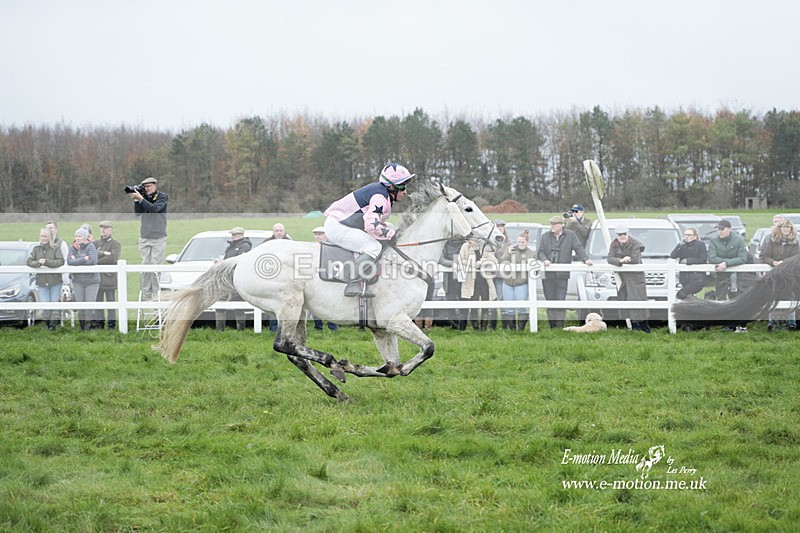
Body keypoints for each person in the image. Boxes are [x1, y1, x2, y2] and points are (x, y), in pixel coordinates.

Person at [323, 162, 414, 297]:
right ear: (391, 187)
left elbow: (374, 223)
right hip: (338, 226)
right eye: (402, 187)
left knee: (389, 228)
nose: (405, 192)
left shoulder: (382, 193)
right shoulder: (380, 197)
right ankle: (353, 281)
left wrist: (390, 231)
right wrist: (390, 234)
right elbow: (371, 225)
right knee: (373, 247)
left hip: (343, 223)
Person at [537, 215, 592, 329]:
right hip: (548, 275)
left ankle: (559, 326)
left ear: (562, 225)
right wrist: (545, 260)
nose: (551, 226)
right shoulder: (545, 236)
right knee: (550, 300)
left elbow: (578, 248)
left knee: (561, 300)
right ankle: (552, 326)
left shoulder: (570, 235)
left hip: (562, 275)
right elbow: (540, 252)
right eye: (551, 224)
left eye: (554, 224)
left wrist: (586, 259)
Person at [130, 176, 168, 301]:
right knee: (145, 267)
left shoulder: (162, 197)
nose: (147, 189)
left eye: (149, 186)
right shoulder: (143, 198)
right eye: (145, 187)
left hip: (158, 237)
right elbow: (137, 214)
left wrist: (140, 199)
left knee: (156, 267)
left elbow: (155, 209)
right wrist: (136, 200)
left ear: (155, 186)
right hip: (145, 237)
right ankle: (146, 295)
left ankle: (155, 295)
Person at [607, 225, 651, 333]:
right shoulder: (614, 244)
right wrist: (621, 260)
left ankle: (644, 325)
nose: (622, 236)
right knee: (625, 300)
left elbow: (635, 259)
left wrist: (627, 260)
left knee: (639, 301)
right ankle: (634, 324)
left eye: (624, 234)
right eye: (619, 234)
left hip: (636, 278)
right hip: (623, 279)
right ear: (616, 235)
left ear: (628, 234)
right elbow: (610, 258)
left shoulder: (635, 243)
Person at [762, 219, 799, 331]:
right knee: (773, 295)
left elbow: (797, 257)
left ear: (791, 229)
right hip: (775, 274)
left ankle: (791, 322)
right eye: (784, 227)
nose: (786, 229)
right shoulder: (773, 241)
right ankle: (772, 322)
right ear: (780, 229)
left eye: (788, 227)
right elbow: (766, 255)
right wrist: (773, 262)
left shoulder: (795, 242)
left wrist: (784, 262)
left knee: (790, 296)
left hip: (789, 275)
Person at [213, 227, 253, 331]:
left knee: (238, 306)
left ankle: (240, 329)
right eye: (233, 235)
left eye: (235, 235)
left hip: (236, 279)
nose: (233, 237)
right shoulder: (230, 247)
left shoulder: (245, 246)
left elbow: (239, 261)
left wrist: (223, 263)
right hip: (227, 279)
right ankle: (219, 329)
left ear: (241, 235)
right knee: (220, 303)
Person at [26, 227, 65, 330]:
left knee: (54, 304)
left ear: (50, 237)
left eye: (45, 236)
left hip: (55, 281)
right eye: (41, 236)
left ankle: (52, 326)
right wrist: (38, 263)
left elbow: (60, 261)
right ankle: (48, 324)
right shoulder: (36, 249)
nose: (43, 238)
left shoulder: (55, 248)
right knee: (45, 305)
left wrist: (46, 262)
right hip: (42, 282)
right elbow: (29, 261)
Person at [458, 237, 498, 331]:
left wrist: (482, 262)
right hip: (471, 280)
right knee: (473, 301)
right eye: (470, 240)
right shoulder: (465, 247)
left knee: (486, 300)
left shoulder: (485, 247)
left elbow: (494, 261)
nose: (472, 242)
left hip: (485, 279)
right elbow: (460, 260)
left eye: (474, 240)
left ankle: (484, 326)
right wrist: (472, 264)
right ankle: (475, 325)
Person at [500, 230, 537, 330]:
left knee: (522, 307)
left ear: (527, 242)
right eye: (519, 242)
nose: (520, 244)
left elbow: (534, 269)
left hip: (521, 283)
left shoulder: (531, 253)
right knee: (509, 308)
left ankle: (521, 330)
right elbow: (502, 262)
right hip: (507, 282)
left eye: (522, 242)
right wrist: (507, 253)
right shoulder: (510, 250)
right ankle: (512, 329)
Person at [67, 227, 100, 330]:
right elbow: (69, 262)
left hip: (91, 280)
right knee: (80, 305)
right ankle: (82, 327)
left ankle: (89, 326)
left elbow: (93, 261)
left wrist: (77, 260)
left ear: (85, 237)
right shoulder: (72, 248)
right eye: (76, 236)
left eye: (80, 236)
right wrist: (83, 259)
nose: (77, 238)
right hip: (77, 280)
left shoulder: (91, 246)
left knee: (90, 305)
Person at [93, 220, 122, 330]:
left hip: (109, 278)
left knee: (111, 303)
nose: (103, 230)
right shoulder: (95, 244)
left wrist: (98, 259)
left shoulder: (115, 244)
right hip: (96, 278)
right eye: (101, 228)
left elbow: (113, 257)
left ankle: (111, 325)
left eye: (106, 228)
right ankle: (99, 325)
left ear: (110, 229)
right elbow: (92, 256)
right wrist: (104, 253)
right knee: (98, 302)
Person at [310, 227, 338, 331]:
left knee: (330, 302)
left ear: (325, 235)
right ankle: (318, 326)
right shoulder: (312, 246)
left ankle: (333, 326)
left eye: (320, 234)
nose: (318, 236)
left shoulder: (332, 246)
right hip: (316, 278)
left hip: (329, 278)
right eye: (316, 234)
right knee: (314, 302)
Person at [669, 227, 708, 300]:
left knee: (681, 294)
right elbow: (673, 256)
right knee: (687, 297)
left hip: (697, 278)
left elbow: (703, 259)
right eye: (686, 235)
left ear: (695, 236)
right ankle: (695, 307)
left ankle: (698, 303)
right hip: (684, 278)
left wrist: (688, 261)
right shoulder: (682, 245)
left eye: (689, 235)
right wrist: (680, 245)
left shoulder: (700, 245)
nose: (687, 237)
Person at [439, 236, 467, 330]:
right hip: (449, 279)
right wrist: (453, 264)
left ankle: (463, 325)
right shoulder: (444, 245)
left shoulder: (465, 244)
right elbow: (441, 259)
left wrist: (460, 263)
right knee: (450, 301)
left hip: (463, 278)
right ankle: (454, 325)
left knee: (464, 301)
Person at [488, 219, 511, 330]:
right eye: (498, 226)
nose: (500, 228)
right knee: (493, 299)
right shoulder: (490, 242)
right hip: (491, 275)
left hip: (503, 276)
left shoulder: (508, 243)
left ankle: (505, 326)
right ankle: (493, 326)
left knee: (502, 299)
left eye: (502, 226)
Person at [46, 220, 70, 285]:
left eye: (51, 228)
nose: (49, 230)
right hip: (45, 277)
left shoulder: (62, 243)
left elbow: (66, 259)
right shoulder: (42, 244)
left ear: (56, 230)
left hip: (59, 277)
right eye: (47, 228)